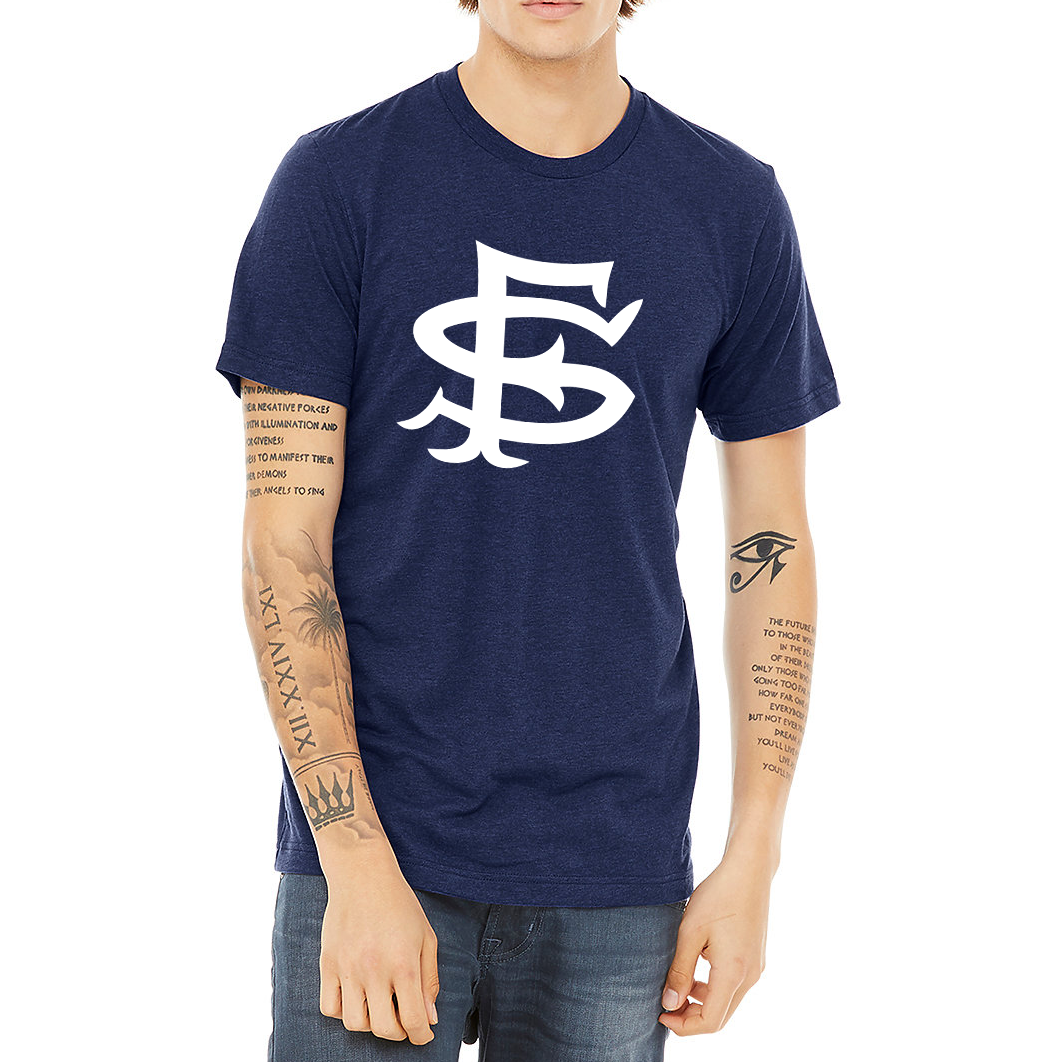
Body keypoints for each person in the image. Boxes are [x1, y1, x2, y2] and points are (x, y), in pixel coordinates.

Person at [215, 1, 840, 1058]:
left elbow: (769, 547)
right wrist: (353, 861)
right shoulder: (337, 182)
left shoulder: (732, 207)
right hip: (374, 851)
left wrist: (756, 855)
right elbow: (284, 550)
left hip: (619, 869)